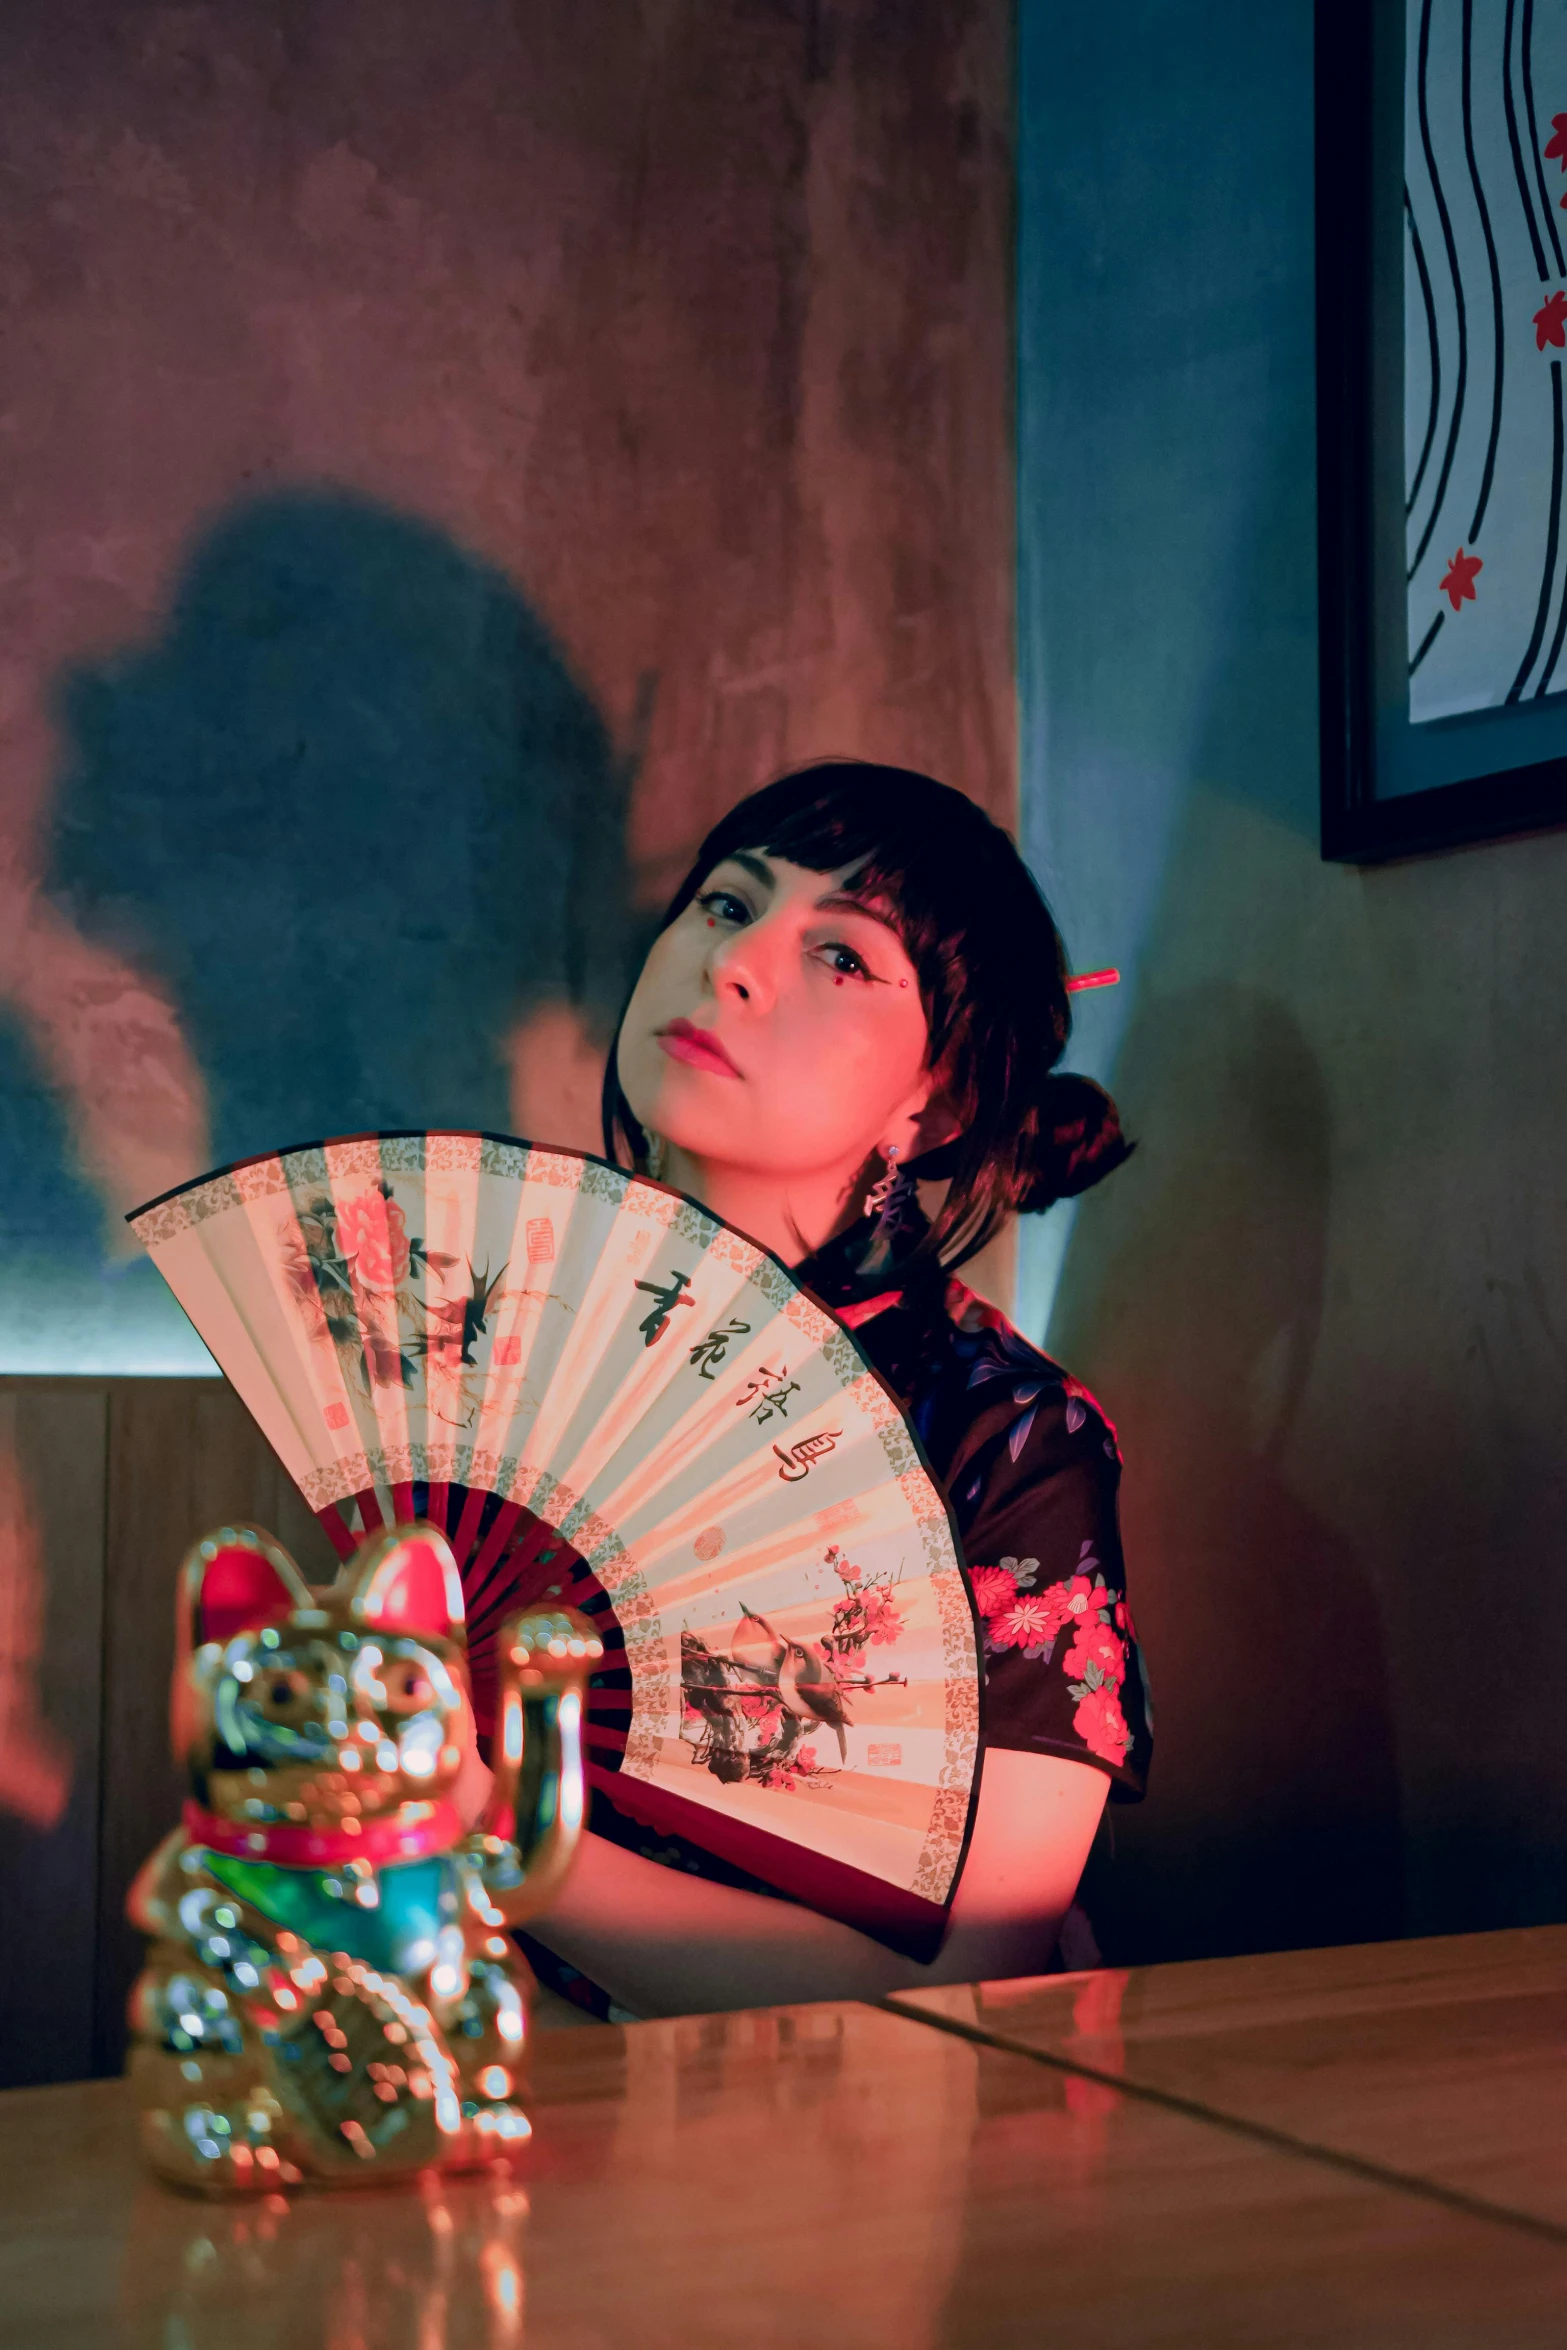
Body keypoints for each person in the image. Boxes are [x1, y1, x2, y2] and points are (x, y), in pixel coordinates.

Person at [475, 761, 1150, 2016]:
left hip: (889, 2139)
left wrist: (512, 1852)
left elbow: (979, 1970)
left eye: (842, 956)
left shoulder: (1005, 1436)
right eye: (727, 905)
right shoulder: (493, 1346)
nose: (734, 965)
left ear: (930, 1099)